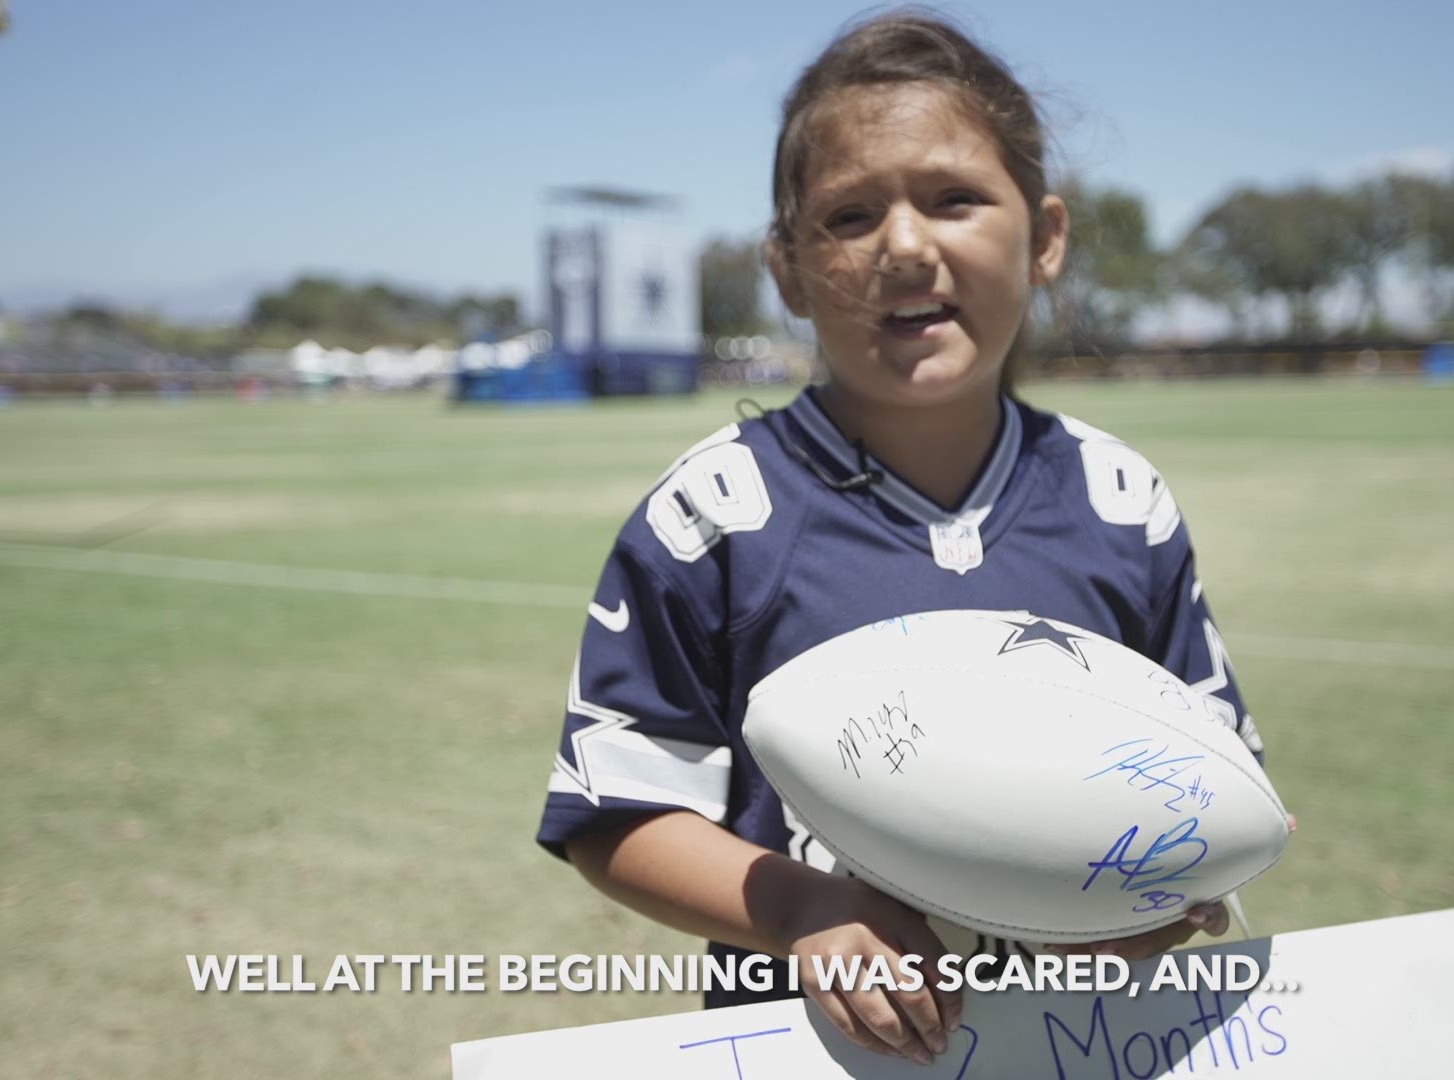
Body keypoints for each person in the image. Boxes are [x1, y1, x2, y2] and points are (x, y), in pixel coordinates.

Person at [537, 12, 1269, 1068]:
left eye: (955, 197)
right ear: (785, 269)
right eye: (848, 215)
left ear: (1046, 236)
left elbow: (1215, 784)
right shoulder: (715, 515)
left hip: (1084, 1047)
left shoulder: (1121, 502)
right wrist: (802, 911)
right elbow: (615, 812)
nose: (906, 245)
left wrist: (1158, 897)